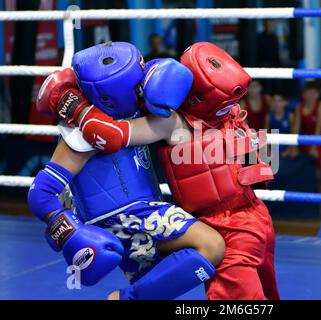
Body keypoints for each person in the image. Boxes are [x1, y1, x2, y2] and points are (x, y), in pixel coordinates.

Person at [42, 42, 280, 300]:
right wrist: (68, 231)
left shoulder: (217, 117)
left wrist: (75, 105)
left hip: (240, 216)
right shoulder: (213, 117)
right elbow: (109, 134)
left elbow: (114, 132)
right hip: (238, 217)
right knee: (221, 264)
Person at [293, 81, 321, 183]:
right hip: (305, 140)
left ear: (317, 94)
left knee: (318, 168)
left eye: (313, 92)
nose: (310, 95)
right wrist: (293, 147)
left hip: (320, 141)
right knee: (302, 167)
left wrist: (314, 147)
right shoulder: (299, 107)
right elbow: (296, 127)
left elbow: (319, 127)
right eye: (308, 92)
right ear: (303, 94)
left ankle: (319, 194)